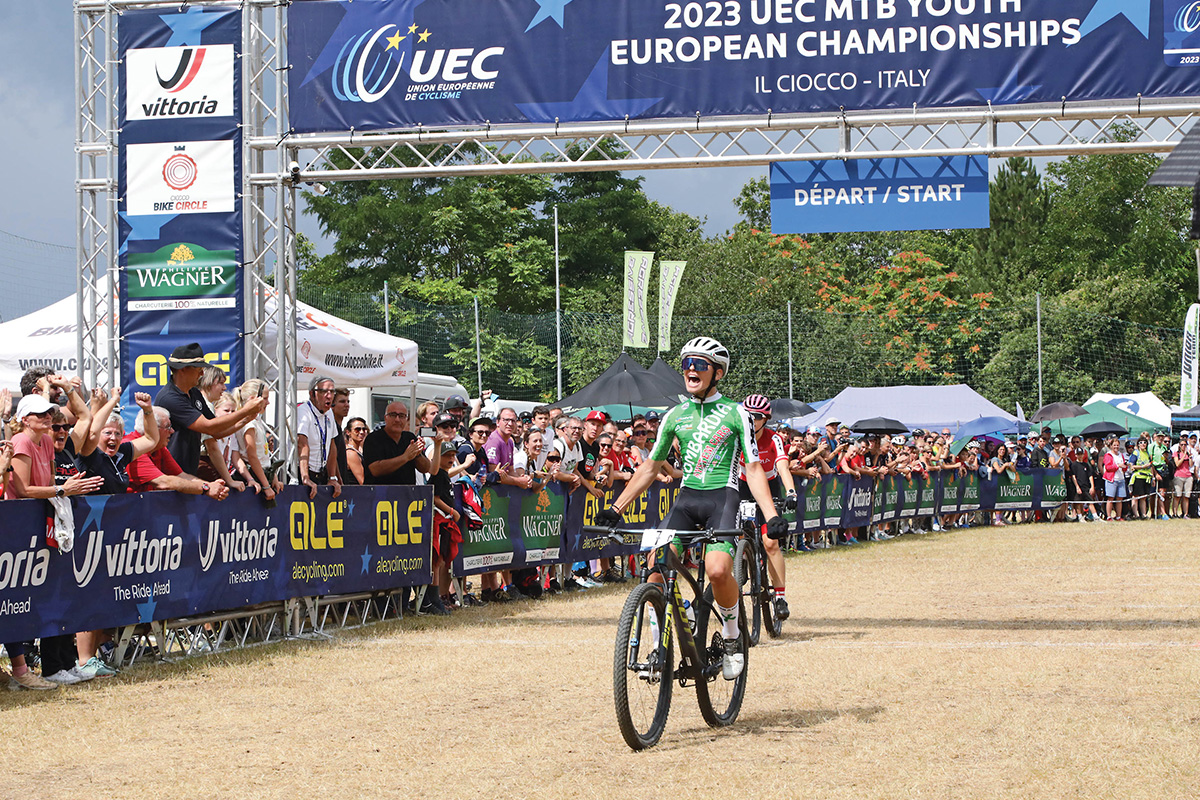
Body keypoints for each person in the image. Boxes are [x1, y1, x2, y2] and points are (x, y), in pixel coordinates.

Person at [597, 336, 785, 681]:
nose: (691, 370)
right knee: (655, 563)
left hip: (721, 499)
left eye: (700, 364)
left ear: (717, 373)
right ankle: (659, 648)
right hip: (686, 500)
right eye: (686, 364)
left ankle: (731, 637)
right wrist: (616, 507)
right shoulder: (675, 415)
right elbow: (651, 467)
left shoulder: (736, 413)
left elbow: (754, 468)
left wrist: (771, 515)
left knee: (716, 570)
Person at [155, 343, 267, 475]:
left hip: (188, 470)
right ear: (183, 369)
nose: (202, 374)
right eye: (198, 369)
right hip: (169, 472)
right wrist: (245, 411)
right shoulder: (170, 397)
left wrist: (246, 419)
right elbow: (209, 427)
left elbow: (217, 432)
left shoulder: (194, 393)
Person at [738, 395, 797, 620]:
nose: (751, 421)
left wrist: (790, 491)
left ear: (766, 420)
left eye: (757, 418)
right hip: (743, 485)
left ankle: (780, 595)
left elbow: (783, 467)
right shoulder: (738, 436)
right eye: (747, 417)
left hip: (770, 487)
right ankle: (741, 559)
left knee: (770, 542)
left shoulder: (774, 438)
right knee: (735, 532)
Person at [126, 406, 230, 499]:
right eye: (167, 427)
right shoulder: (134, 448)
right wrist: (206, 488)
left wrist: (211, 486)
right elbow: (164, 482)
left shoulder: (159, 448)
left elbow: (182, 476)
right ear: (152, 429)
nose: (172, 431)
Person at [297, 375, 343, 499]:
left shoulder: (329, 413)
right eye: (323, 391)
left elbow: (331, 445)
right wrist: (305, 477)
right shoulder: (303, 411)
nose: (329, 396)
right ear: (312, 394)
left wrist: (332, 477)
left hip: (321, 472)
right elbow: (302, 444)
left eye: (332, 391)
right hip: (304, 471)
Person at [1102, 436, 1127, 521]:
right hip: (1111, 479)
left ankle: (1118, 516)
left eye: (1117, 445)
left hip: (1121, 478)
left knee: (1120, 498)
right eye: (1114, 445)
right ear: (1111, 446)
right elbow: (1108, 467)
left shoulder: (1121, 455)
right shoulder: (1108, 455)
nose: (1116, 447)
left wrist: (1125, 466)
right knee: (1110, 498)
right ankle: (1109, 516)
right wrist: (1117, 466)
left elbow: (1124, 467)